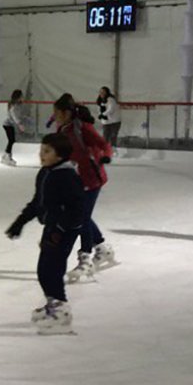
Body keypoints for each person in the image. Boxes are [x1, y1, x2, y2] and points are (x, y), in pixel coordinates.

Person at [5, 132, 84, 334]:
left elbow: (78, 211)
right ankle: (54, 304)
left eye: (47, 151)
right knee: (43, 270)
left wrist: (58, 230)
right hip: (52, 226)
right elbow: (37, 203)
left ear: (60, 155)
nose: (41, 154)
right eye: (41, 150)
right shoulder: (45, 173)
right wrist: (20, 222)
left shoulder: (67, 177)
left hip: (65, 230)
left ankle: (61, 313)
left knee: (52, 270)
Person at [51, 94, 114, 282]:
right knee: (82, 215)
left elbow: (104, 144)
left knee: (81, 217)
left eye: (57, 113)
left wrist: (105, 156)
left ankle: (85, 259)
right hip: (76, 180)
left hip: (93, 178)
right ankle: (102, 248)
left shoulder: (82, 128)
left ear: (67, 112)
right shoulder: (62, 128)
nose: (55, 116)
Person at [2, 89, 28, 166]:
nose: (23, 97)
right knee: (11, 140)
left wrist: (25, 118)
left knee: (12, 140)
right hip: (7, 125)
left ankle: (5, 156)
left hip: (10, 125)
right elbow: (14, 116)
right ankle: (7, 157)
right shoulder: (13, 106)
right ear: (18, 97)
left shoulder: (18, 105)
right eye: (21, 96)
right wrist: (20, 125)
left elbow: (18, 115)